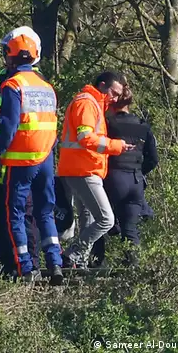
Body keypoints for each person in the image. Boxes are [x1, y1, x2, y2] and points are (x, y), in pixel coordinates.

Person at [0, 28, 64, 284]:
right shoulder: (47, 87)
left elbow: (11, 125)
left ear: (10, 55)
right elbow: (40, 122)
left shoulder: (12, 84)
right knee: (45, 212)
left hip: (20, 159)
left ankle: (25, 267)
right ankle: (55, 264)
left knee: (14, 213)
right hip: (46, 158)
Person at [56, 71, 134, 268]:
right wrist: (116, 146)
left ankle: (78, 263)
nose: (115, 98)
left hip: (84, 168)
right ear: (102, 85)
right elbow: (85, 138)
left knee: (88, 218)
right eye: (114, 93)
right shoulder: (87, 103)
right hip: (83, 170)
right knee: (106, 219)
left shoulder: (94, 104)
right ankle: (73, 255)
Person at [0, 66, 40, 276]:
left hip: (18, 162)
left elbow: (21, 123)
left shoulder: (30, 82)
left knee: (22, 215)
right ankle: (7, 265)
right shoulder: (2, 78)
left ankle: (28, 266)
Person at [94, 88, 157, 268]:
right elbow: (153, 159)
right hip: (135, 181)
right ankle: (132, 268)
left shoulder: (108, 124)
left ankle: (96, 263)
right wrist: (139, 170)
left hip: (113, 178)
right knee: (130, 229)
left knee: (100, 220)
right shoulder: (143, 126)